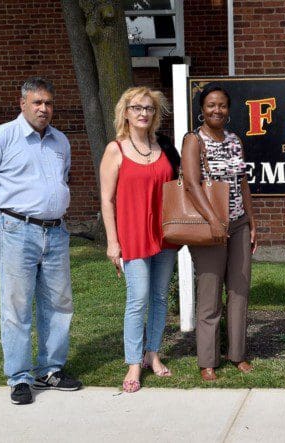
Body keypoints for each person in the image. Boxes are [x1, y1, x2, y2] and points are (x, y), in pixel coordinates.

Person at [0, 77, 83, 405]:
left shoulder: (60, 141)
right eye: (37, 103)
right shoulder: (3, 137)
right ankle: (19, 377)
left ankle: (50, 369)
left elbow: (63, 178)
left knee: (59, 303)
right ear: (22, 104)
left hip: (57, 232)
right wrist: (3, 221)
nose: (44, 109)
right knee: (17, 306)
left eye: (48, 103)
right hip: (18, 231)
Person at [99, 87, 181, 393]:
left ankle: (153, 354)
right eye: (137, 108)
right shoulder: (115, 150)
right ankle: (133, 362)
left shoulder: (165, 148)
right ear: (126, 112)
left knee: (160, 297)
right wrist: (112, 242)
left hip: (164, 234)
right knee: (138, 298)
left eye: (149, 108)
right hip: (132, 235)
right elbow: (107, 200)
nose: (143, 113)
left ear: (155, 114)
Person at [181, 84, 257, 381]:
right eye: (211, 105)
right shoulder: (193, 140)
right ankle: (207, 360)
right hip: (209, 226)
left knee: (239, 290)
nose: (217, 110)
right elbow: (191, 183)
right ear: (202, 109)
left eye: (222, 105)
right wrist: (214, 219)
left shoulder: (235, 140)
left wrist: (251, 221)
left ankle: (237, 354)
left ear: (228, 109)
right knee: (210, 293)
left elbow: (243, 183)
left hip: (237, 223)